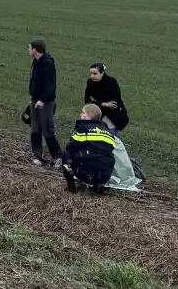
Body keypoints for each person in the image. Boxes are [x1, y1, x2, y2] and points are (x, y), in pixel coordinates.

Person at [61, 104, 118, 193]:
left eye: (83, 113)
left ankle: (72, 188)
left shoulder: (83, 129)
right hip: (105, 176)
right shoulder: (109, 133)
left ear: (90, 116)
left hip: (86, 175)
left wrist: (67, 166)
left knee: (68, 155)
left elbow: (69, 149)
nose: (81, 115)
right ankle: (97, 186)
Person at [27, 39, 62, 167]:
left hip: (45, 103)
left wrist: (42, 100)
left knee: (47, 130)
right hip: (35, 100)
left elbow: (50, 85)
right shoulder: (36, 62)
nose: (28, 50)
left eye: (30, 48)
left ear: (35, 49)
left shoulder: (47, 63)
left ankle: (58, 156)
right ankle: (37, 155)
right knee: (35, 129)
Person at [84, 63, 129, 131]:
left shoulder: (111, 82)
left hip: (112, 117)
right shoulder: (90, 83)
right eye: (91, 73)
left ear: (102, 73)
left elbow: (113, 103)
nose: (92, 76)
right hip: (98, 114)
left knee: (110, 133)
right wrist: (102, 104)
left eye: (95, 74)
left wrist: (96, 102)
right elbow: (87, 102)